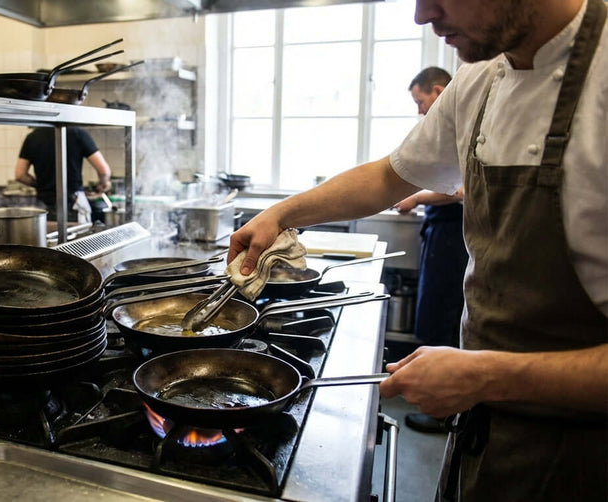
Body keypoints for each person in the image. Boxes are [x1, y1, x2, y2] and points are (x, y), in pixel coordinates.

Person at [228, 0, 607, 500]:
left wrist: (488, 374)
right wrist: (281, 214)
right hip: (490, 429)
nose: (422, 17)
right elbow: (391, 175)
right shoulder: (479, 80)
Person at [392, 67, 469, 434]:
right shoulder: (453, 129)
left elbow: (460, 191)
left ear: (438, 91)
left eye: (421, 102)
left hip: (453, 239)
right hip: (442, 233)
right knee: (434, 311)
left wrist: (418, 196)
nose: (421, 111)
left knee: (441, 315)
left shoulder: (466, 126)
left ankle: (442, 409)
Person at [14, 127, 111, 223]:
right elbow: (104, 171)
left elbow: (20, 175)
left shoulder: (32, 137)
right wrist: (103, 184)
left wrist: (41, 183)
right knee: (78, 237)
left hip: (43, 205)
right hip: (73, 203)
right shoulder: (77, 133)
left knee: (47, 237)